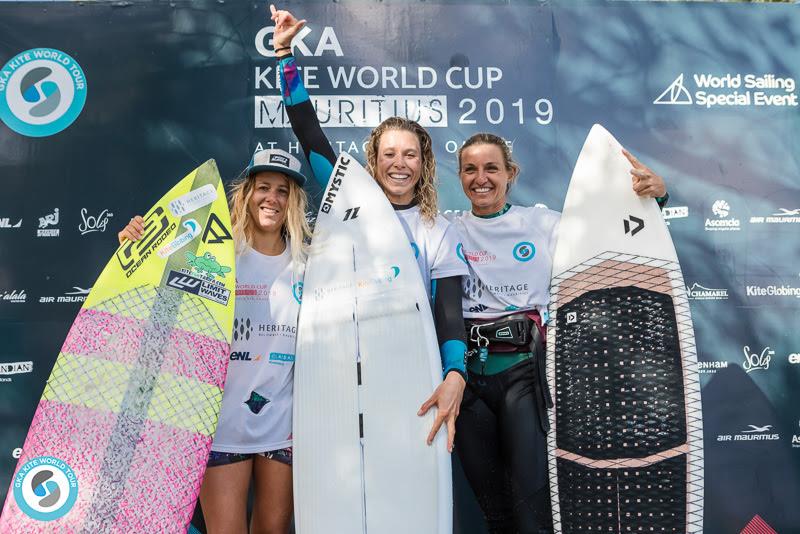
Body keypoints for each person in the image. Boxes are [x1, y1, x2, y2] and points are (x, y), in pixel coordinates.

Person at [269, 4, 469, 451]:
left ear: (424, 164)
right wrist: (285, 55)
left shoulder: (437, 229)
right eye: (390, 154)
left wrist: (455, 374)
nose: (400, 164)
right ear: (374, 161)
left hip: (414, 371)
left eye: (411, 155)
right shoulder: (347, 197)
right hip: (343, 370)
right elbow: (308, 130)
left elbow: (450, 315)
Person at [450, 132, 669, 534]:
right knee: (492, 510)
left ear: (510, 173)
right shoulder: (447, 229)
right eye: (470, 169)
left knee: (532, 508)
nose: (481, 178)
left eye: (491, 168)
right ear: (460, 176)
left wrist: (655, 198)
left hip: (523, 377)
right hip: (467, 384)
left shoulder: (541, 223)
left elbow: (605, 236)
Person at [118, 148, 311, 534]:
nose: (272, 198)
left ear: (294, 201)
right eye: (263, 188)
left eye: (283, 191)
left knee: (274, 530)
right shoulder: (215, 255)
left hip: (284, 423)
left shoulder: (309, 261)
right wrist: (133, 243)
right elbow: (152, 281)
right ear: (246, 194)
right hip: (220, 423)